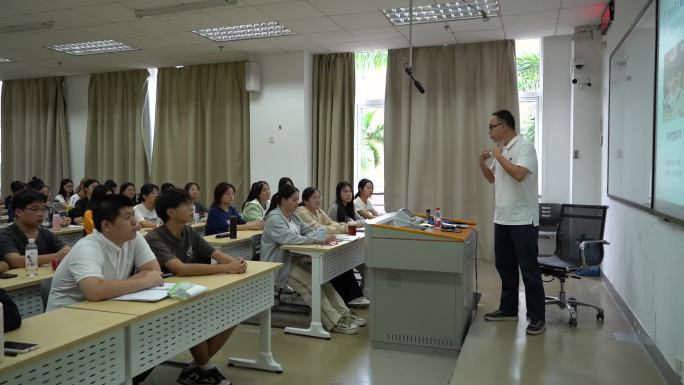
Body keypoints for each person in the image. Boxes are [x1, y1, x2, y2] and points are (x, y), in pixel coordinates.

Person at [46, 194, 163, 385]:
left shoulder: (133, 237)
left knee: (152, 343)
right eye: (127, 217)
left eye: (134, 214)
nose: (136, 222)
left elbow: (154, 270)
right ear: (107, 225)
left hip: (106, 311)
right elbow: (94, 291)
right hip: (67, 325)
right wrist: (144, 281)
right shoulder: (87, 247)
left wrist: (117, 286)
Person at [145, 188, 245, 385]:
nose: (192, 209)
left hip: (186, 290)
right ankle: (204, 368)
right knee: (193, 313)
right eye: (186, 206)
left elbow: (215, 254)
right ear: (171, 212)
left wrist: (236, 263)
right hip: (162, 296)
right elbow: (179, 269)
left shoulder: (189, 231)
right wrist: (227, 268)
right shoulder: (155, 237)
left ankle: (199, 366)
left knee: (235, 312)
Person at [261, 184, 363, 334]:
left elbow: (308, 231)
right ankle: (333, 321)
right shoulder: (275, 218)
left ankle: (343, 313)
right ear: (283, 200)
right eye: (294, 200)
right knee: (309, 284)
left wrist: (316, 237)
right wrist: (316, 238)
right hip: (279, 264)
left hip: (295, 259)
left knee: (322, 280)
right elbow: (290, 239)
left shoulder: (292, 215)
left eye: (297, 200)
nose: (297, 203)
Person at [478, 109, 545, 336]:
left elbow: (519, 175)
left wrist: (498, 156)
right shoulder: (504, 150)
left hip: (523, 220)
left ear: (504, 126)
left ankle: (537, 318)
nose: (489, 131)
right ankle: (508, 309)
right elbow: (494, 179)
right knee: (505, 267)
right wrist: (482, 163)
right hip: (503, 218)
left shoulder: (524, 147)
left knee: (529, 270)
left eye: (491, 126)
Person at [295, 187, 368, 307]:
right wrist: (345, 228)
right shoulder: (302, 212)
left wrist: (343, 226)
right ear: (306, 201)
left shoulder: (318, 211)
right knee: (335, 262)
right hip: (307, 251)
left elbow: (330, 223)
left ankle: (353, 296)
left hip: (321, 246)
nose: (318, 200)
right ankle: (349, 297)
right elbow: (318, 228)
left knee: (342, 261)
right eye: (314, 197)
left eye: (319, 197)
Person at [0, 188, 71, 268]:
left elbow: (66, 250)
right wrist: (56, 256)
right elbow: (16, 261)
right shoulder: (6, 235)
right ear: (18, 212)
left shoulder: (45, 233)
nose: (41, 214)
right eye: (35, 209)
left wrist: (64, 253)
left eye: (43, 209)